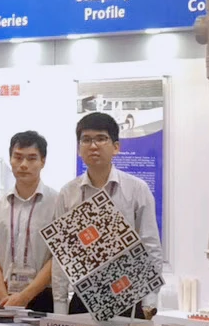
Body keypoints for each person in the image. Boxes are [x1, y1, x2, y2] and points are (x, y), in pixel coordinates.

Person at [57, 112, 162, 315]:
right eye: (86, 139)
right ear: (79, 148)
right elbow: (61, 255)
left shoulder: (137, 189)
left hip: (128, 296)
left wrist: (149, 302)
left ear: (116, 147)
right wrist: (60, 305)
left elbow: (150, 246)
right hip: (83, 296)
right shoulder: (68, 193)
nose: (93, 145)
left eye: (101, 138)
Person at [0, 131, 58, 310]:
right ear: (10, 159)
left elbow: (58, 258)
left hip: (42, 297)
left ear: (43, 161)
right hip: (0, 296)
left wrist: (25, 296)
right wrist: (5, 298)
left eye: (31, 158)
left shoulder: (58, 204)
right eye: (18, 157)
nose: (23, 165)